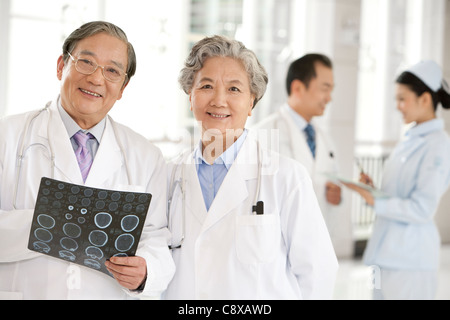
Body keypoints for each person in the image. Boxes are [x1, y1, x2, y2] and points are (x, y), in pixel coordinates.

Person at [0, 21, 175, 299]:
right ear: (61, 66)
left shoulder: (145, 156)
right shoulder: (7, 137)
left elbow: (155, 239)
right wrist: (51, 220)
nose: (96, 78)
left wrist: (145, 272)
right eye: (86, 62)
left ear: (122, 88)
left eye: (112, 71)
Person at [163, 35, 338, 300]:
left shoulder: (287, 177)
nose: (219, 100)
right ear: (191, 97)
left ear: (251, 102)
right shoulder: (168, 175)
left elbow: (318, 272)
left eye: (234, 89)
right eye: (207, 86)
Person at [343, 60, 450, 300]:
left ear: (424, 99)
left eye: (402, 99)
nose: (398, 106)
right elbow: (399, 196)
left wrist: (375, 201)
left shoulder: (438, 145)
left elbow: (422, 208)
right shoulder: (410, 139)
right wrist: (373, 191)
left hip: (411, 260)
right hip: (387, 253)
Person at [252, 54, 342, 244]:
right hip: (277, 243)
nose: (329, 98)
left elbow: (326, 184)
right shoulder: (263, 134)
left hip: (316, 242)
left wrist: (335, 196)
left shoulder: (325, 140)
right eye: (325, 89)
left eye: (331, 90)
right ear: (298, 87)